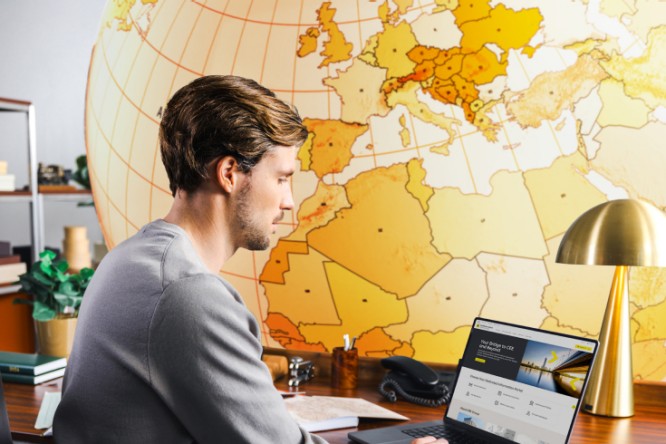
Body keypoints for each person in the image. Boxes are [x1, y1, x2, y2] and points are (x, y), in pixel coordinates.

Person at [53, 75, 447, 444]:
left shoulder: (128, 259)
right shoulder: (187, 295)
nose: (289, 201)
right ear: (229, 173)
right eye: (281, 178)